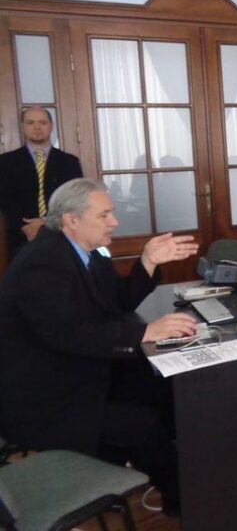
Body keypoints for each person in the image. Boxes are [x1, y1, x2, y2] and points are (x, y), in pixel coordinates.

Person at [0, 178, 200, 513]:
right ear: (71, 219)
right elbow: (70, 334)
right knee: (142, 423)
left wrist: (148, 260)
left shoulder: (86, 252)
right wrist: (144, 332)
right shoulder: (43, 261)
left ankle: (168, 476)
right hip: (45, 399)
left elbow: (118, 302)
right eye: (104, 215)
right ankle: (184, 502)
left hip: (74, 372)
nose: (115, 222)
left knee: (160, 386)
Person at [0, 106, 83, 257]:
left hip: (62, 235)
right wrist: (26, 227)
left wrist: (47, 222)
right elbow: (5, 199)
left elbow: (76, 198)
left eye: (42, 122)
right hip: (22, 238)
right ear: (22, 127)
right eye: (30, 122)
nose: (37, 127)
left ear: (51, 126)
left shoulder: (69, 162)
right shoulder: (5, 162)